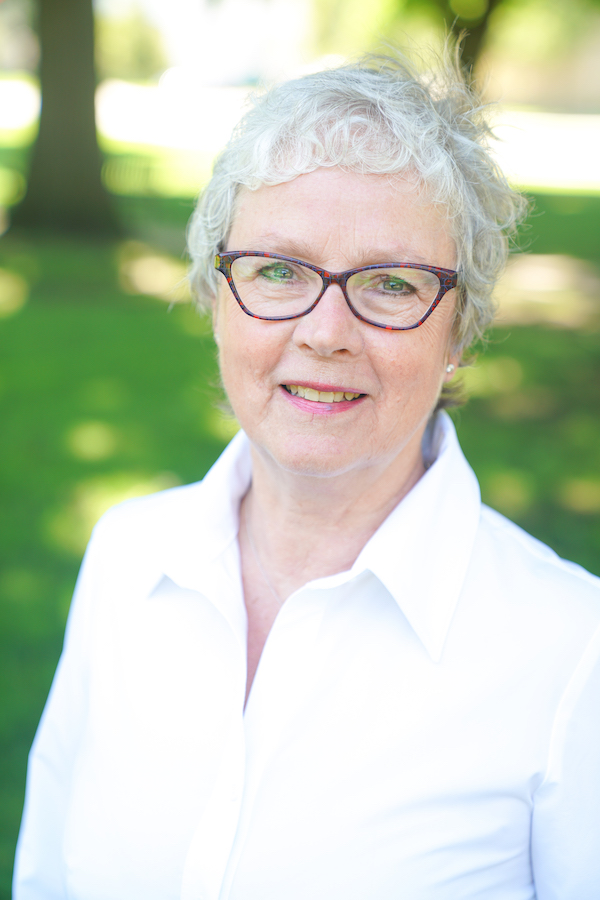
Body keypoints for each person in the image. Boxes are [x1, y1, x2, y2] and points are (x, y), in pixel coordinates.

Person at [14, 47, 600, 900]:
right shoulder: (126, 557)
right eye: (280, 270)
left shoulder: (572, 652)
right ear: (217, 294)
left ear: (462, 327)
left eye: (392, 283)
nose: (325, 331)